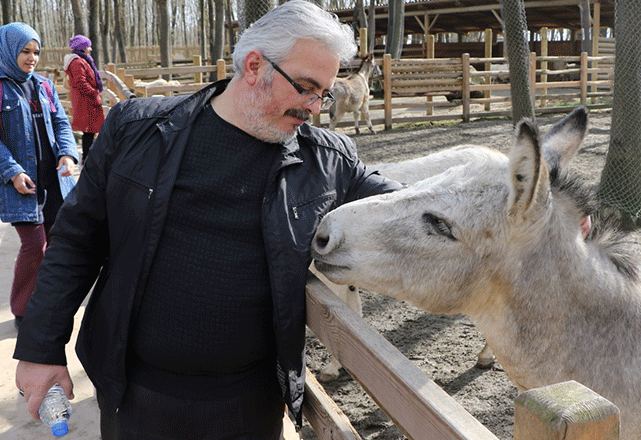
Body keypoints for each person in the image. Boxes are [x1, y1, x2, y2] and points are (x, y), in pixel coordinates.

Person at [13, 2, 401, 438]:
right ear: (254, 66)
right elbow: (75, 241)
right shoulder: (137, 129)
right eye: (307, 88)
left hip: (252, 406)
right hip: (135, 396)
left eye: (323, 94)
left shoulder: (327, 160)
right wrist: (41, 348)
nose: (315, 106)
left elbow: (405, 206)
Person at [0, 23, 78, 331]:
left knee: (58, 244)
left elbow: (61, 123)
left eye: (36, 52)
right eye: (25, 51)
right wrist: (13, 171)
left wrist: (68, 155)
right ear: (8, 50)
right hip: (22, 185)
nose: (31, 58)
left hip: (55, 181)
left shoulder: (44, 86)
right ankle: (22, 309)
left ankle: (47, 302)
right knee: (35, 246)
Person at [63, 34, 105, 163]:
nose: (90, 49)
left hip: (86, 99)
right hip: (85, 100)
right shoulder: (77, 62)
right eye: (88, 47)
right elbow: (80, 82)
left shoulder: (82, 60)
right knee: (89, 130)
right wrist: (93, 93)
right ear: (82, 48)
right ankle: (87, 158)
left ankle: (88, 157)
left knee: (91, 130)